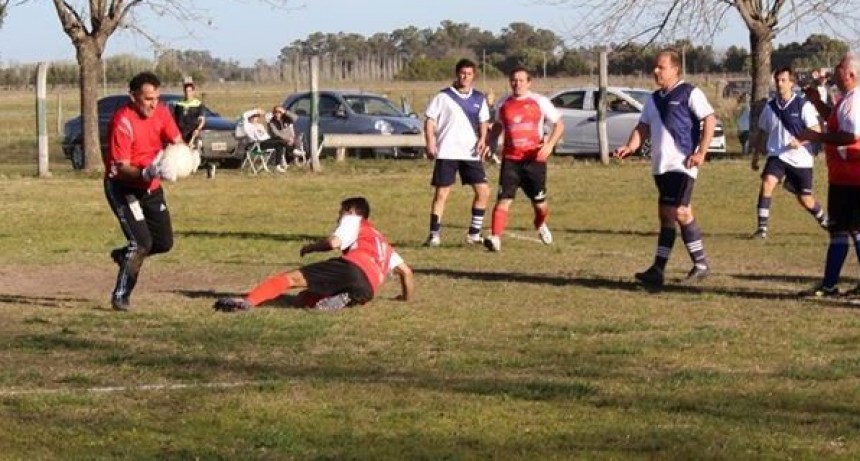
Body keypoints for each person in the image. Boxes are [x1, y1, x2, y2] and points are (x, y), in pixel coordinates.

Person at [613, 48, 716, 288]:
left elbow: (709, 118)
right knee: (672, 216)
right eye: (655, 67)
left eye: (661, 67)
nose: (656, 71)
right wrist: (630, 146)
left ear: (675, 69)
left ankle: (663, 269)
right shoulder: (654, 99)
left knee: (677, 212)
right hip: (661, 167)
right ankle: (694, 265)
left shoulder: (689, 92)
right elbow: (643, 127)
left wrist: (701, 151)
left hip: (683, 164)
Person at [213, 197, 414, 312]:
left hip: (354, 268)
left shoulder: (354, 220)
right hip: (368, 290)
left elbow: (333, 243)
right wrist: (405, 298)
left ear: (351, 211)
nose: (338, 218)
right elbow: (406, 273)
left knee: (289, 279)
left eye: (340, 213)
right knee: (302, 299)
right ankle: (340, 298)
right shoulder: (382, 241)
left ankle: (248, 302)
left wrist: (311, 248)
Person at [104, 71, 184, 311]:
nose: (153, 104)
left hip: (151, 188)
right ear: (133, 96)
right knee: (141, 243)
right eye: (148, 98)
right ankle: (121, 296)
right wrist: (147, 172)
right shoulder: (123, 122)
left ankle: (124, 256)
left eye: (156, 98)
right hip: (123, 187)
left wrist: (185, 158)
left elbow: (177, 141)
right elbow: (122, 168)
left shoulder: (161, 111)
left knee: (163, 242)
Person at [793, 52, 860, 297]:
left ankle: (831, 285)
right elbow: (835, 121)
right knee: (841, 230)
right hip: (843, 177)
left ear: (850, 75)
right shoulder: (846, 100)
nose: (834, 70)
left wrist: (816, 137)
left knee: (851, 230)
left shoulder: (855, 101)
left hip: (854, 177)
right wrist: (816, 101)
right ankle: (830, 285)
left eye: (839, 67)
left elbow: (852, 136)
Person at [483, 66, 564, 252]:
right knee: (504, 199)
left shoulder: (540, 101)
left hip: (534, 160)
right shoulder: (503, 103)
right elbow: (497, 126)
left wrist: (549, 145)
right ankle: (495, 238)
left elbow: (559, 125)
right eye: (513, 80)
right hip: (511, 160)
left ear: (529, 82)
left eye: (521, 80)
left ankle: (540, 223)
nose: (517, 84)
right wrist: (491, 143)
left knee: (540, 204)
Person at [749, 67, 827, 239]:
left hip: (801, 159)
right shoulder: (770, 107)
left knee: (805, 199)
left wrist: (800, 141)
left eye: (783, 80)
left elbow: (816, 129)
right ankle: (762, 229)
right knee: (767, 182)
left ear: (792, 83)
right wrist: (755, 155)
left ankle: (825, 221)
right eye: (777, 80)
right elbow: (762, 131)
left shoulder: (802, 104)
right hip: (777, 155)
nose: (779, 84)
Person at [422, 58, 492, 247]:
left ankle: (474, 234)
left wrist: (483, 139)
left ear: (473, 76)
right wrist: (430, 142)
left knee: (483, 192)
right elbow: (429, 120)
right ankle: (434, 234)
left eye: (469, 74)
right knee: (442, 194)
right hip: (447, 152)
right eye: (462, 73)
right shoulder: (443, 97)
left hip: (470, 153)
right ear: (456, 74)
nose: (465, 77)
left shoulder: (479, 98)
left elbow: (484, 121)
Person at [267, 105, 298, 172]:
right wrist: (287, 139)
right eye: (276, 112)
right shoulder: (272, 122)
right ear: (273, 113)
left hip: (290, 138)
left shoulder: (286, 118)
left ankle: (295, 157)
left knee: (299, 139)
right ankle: (293, 151)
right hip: (280, 140)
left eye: (280, 112)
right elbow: (276, 134)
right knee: (280, 143)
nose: (278, 114)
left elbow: (296, 118)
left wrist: (285, 112)